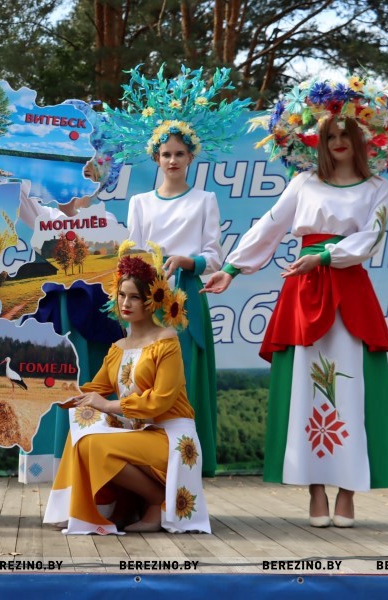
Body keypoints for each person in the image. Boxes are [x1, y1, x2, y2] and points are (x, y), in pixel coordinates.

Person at [202, 70, 388, 527]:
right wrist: (232, 268)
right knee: (306, 389)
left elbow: (370, 238)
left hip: (348, 290)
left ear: (362, 140)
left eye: (346, 134)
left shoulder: (376, 188)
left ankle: (348, 492)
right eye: (330, 135)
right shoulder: (304, 183)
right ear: (319, 141)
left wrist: (323, 256)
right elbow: (270, 225)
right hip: (304, 290)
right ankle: (316, 492)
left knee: (352, 387)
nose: (339, 141)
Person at [102, 64, 251, 477]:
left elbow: (215, 256)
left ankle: (189, 460)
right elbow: (131, 255)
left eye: (179, 154)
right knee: (145, 375)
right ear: (155, 157)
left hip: (185, 298)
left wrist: (189, 262)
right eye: (165, 154)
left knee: (183, 375)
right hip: (147, 299)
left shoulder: (205, 200)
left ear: (191, 157)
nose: (172, 160)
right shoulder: (140, 203)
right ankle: (148, 457)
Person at [43, 247, 210, 534]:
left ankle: (156, 500)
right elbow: (93, 389)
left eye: (134, 297)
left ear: (152, 299)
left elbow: (160, 401)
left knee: (94, 444)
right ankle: (122, 504)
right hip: (141, 434)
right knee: (82, 434)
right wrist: (51, 394)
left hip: (172, 436)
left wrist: (108, 406)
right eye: (121, 295)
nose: (125, 303)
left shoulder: (167, 341)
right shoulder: (118, 347)